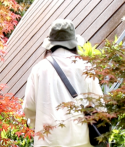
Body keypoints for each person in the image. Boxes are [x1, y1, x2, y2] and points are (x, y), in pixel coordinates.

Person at [23, 18, 104, 147]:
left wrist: (34, 123)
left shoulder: (39, 69)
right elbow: (99, 107)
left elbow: (29, 107)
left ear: (51, 44)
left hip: (48, 141)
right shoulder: (85, 67)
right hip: (81, 141)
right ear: (73, 43)